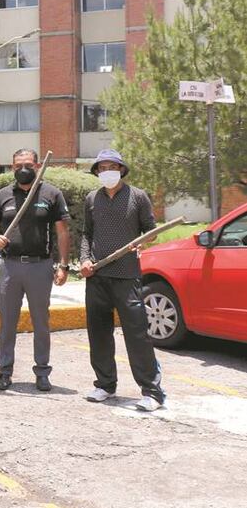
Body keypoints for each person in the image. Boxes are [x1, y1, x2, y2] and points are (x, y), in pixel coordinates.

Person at [79, 149, 166, 411]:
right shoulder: (92, 198)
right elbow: (87, 234)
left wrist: (141, 242)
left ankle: (152, 392)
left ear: (121, 170)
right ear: (97, 171)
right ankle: (105, 385)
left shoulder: (137, 196)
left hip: (127, 276)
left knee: (137, 334)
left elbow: (151, 231)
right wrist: (84, 259)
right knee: (99, 333)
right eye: (102, 167)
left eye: (112, 167)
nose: (107, 171)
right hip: (97, 276)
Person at [0, 149, 71, 392]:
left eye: (28, 165)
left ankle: (42, 372)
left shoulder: (51, 193)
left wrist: (63, 265)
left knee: (41, 323)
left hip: (40, 267)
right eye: (18, 165)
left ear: (37, 166)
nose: (23, 169)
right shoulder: (3, 195)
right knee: (7, 323)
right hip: (9, 267)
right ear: (12, 167)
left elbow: (62, 232)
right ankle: (4, 372)